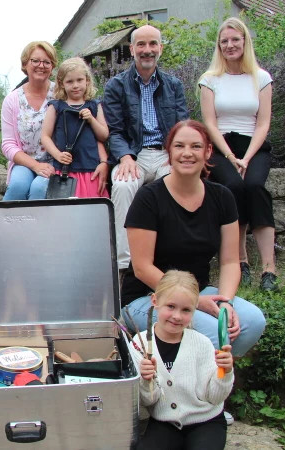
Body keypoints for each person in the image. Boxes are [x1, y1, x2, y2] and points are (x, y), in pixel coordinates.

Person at [120, 120, 266, 361]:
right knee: (216, 335)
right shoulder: (149, 198)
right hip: (148, 297)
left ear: (208, 152)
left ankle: (215, 376)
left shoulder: (222, 197)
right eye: (179, 146)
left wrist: (226, 302)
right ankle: (194, 385)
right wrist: (194, 301)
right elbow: (142, 267)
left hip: (199, 291)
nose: (187, 153)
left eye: (196, 146)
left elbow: (230, 261)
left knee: (252, 321)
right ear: (170, 152)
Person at [103, 25, 190, 275]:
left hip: (166, 154)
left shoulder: (173, 85)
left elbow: (181, 128)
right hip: (134, 154)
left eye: (153, 44)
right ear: (132, 49)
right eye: (141, 45)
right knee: (121, 185)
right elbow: (115, 131)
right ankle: (123, 266)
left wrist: (176, 157)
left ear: (160, 48)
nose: (147, 50)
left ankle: (170, 261)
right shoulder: (116, 86)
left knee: (178, 186)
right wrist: (125, 156)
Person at [199, 17, 278, 291]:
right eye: (225, 41)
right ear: (219, 46)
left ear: (245, 41)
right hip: (222, 148)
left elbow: (263, 123)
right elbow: (209, 122)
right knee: (232, 186)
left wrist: (246, 157)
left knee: (255, 186)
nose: (230, 45)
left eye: (235, 39)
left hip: (253, 146)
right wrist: (231, 157)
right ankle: (241, 260)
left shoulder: (262, 78)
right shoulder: (209, 80)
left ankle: (269, 268)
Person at [129, 270, 234, 450]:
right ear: (155, 301)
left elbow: (215, 397)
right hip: (165, 421)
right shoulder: (139, 344)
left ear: (194, 310)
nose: (177, 316)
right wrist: (147, 381)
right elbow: (148, 401)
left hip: (206, 420)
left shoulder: (202, 343)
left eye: (186, 310)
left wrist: (225, 373)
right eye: (171, 306)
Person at [41, 57, 110, 198]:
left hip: (90, 170)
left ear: (87, 81)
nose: (75, 85)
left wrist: (91, 119)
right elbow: (45, 136)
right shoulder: (56, 106)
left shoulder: (94, 105)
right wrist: (57, 155)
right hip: (65, 172)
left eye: (79, 80)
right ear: (62, 84)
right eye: (70, 81)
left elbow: (103, 135)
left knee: (92, 213)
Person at [1, 41, 58, 200]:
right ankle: (4, 224)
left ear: (52, 66)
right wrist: (35, 166)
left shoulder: (60, 94)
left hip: (55, 162)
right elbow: (8, 144)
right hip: (24, 162)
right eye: (35, 61)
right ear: (25, 63)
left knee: (39, 188)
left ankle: (36, 225)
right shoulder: (12, 100)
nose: (41, 65)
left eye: (47, 62)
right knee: (18, 186)